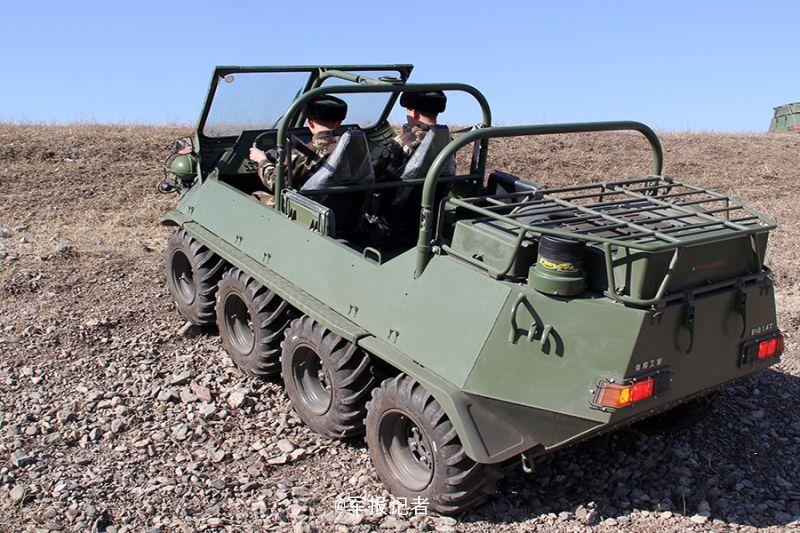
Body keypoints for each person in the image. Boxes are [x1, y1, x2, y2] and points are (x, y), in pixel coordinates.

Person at [249, 96, 348, 191]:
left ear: (310, 123)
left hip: (311, 201)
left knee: (255, 195)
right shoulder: (349, 146)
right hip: (344, 200)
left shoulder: (308, 153)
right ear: (338, 123)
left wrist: (262, 160)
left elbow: (276, 184)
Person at [374, 90, 449, 180]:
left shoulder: (402, 141)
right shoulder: (448, 141)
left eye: (407, 110)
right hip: (437, 189)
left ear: (414, 113)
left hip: (401, 189)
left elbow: (375, 173)